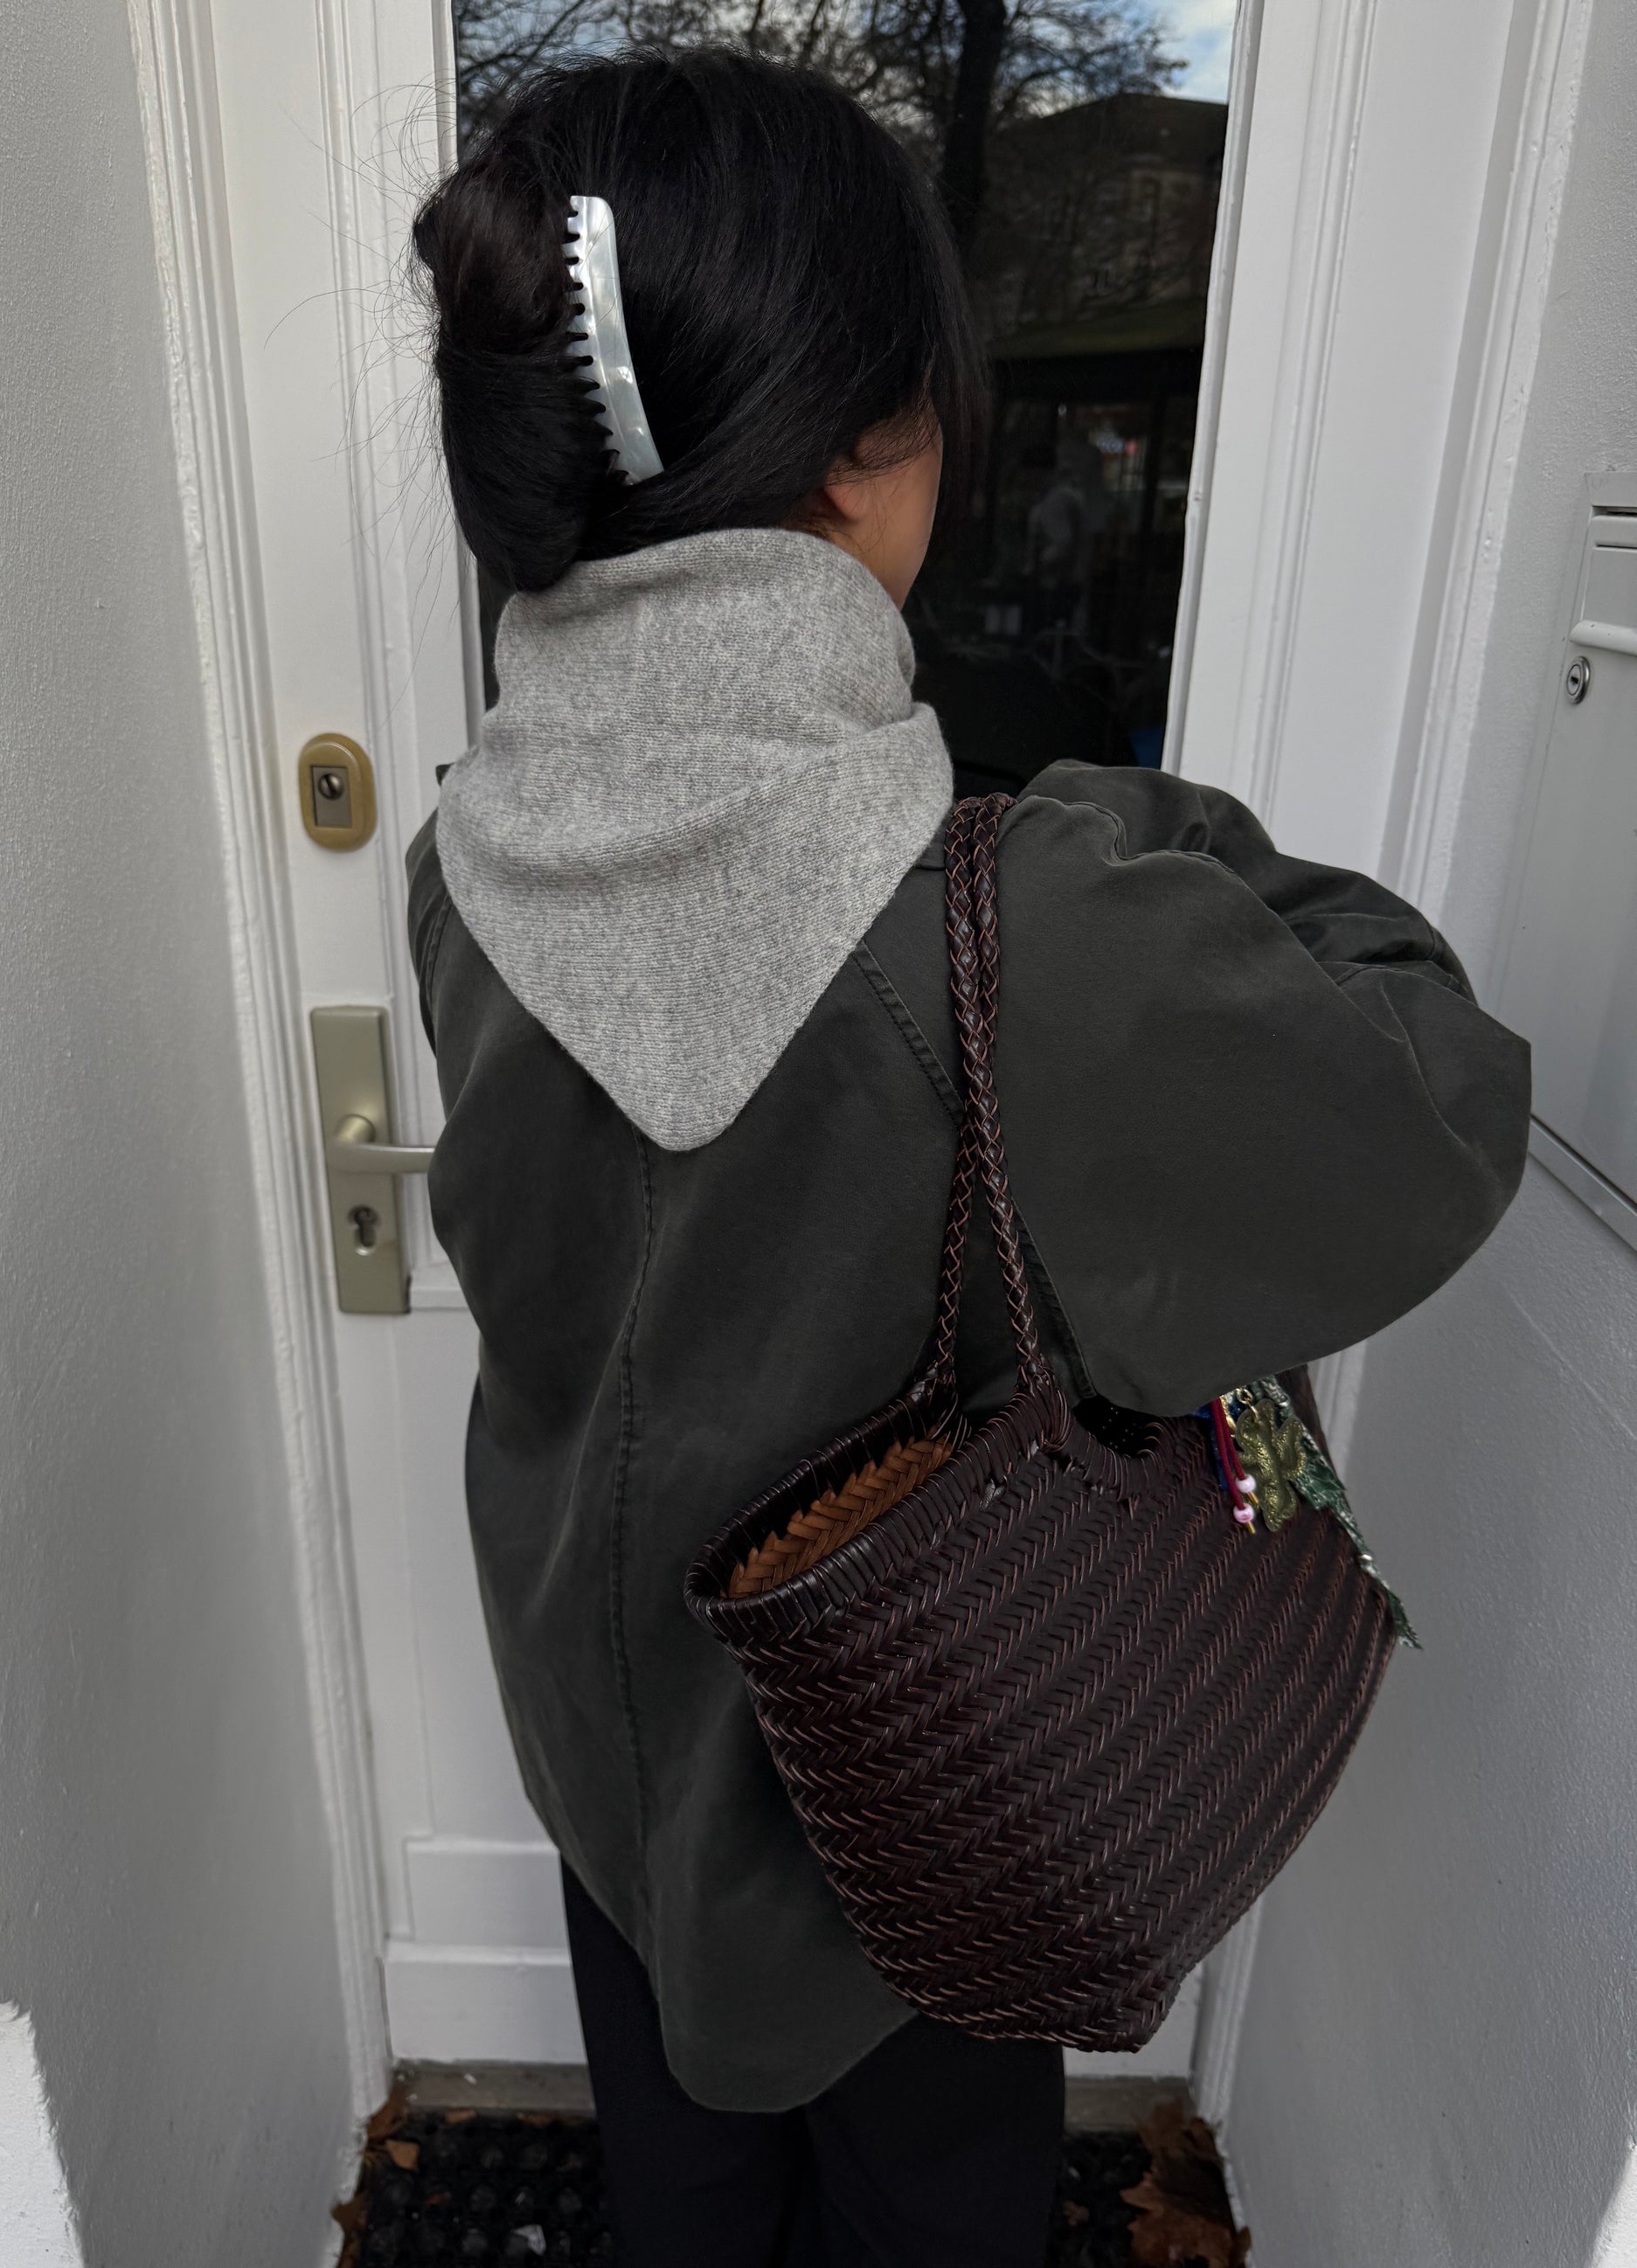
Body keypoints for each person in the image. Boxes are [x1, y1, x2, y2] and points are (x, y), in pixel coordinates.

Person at [406, 49, 1529, 2268]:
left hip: (603, 1742)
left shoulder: (467, 850)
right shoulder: (1019, 921)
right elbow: (1429, 1091)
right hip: (921, 1799)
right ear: (862, 443)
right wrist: (1119, 819)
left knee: (680, 2200)